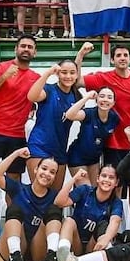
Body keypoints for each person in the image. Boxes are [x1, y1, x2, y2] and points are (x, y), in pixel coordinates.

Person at [0, 34, 40, 253]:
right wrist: (4, 77)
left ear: (34, 52)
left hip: (16, 135)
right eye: (23, 46)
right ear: (16, 49)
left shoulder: (35, 77)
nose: (26, 49)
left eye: (30, 47)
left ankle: (11, 235)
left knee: (13, 185)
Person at [80, 43, 130, 225]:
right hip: (113, 142)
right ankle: (114, 225)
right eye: (118, 55)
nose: (122, 58)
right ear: (112, 59)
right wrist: (81, 55)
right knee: (115, 184)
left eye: (125, 55)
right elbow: (77, 80)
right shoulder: (103, 77)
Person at [0, 147, 63, 261]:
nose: (47, 174)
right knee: (14, 209)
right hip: (15, 245)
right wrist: (16, 154)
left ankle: (52, 255)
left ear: (54, 178)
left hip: (38, 250)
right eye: (44, 168)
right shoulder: (19, 189)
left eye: (52, 172)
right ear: (36, 170)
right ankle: (15, 256)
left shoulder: (54, 196)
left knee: (54, 210)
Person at [26, 60, 80, 190]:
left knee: (54, 199)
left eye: (72, 73)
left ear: (77, 75)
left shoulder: (77, 96)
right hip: (39, 146)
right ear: (57, 74)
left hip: (60, 150)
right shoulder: (49, 90)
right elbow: (31, 97)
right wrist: (48, 73)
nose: (68, 76)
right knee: (38, 193)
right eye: (64, 72)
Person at [54, 166, 123, 260]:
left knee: (104, 226)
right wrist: (74, 179)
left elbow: (115, 221)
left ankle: (106, 255)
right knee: (69, 220)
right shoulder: (85, 190)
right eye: (104, 176)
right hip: (76, 241)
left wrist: (106, 238)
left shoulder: (116, 202)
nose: (107, 180)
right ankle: (62, 254)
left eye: (111, 177)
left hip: (93, 245)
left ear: (116, 183)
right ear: (98, 178)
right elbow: (59, 202)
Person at [65, 87, 120, 185]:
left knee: (94, 191)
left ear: (114, 102)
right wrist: (86, 98)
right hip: (77, 157)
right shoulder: (89, 113)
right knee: (86, 191)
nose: (105, 99)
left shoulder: (114, 118)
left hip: (94, 160)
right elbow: (69, 115)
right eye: (102, 96)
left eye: (109, 97)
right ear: (96, 99)